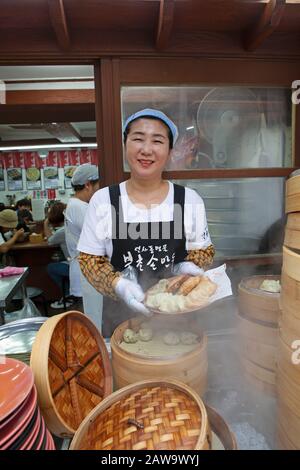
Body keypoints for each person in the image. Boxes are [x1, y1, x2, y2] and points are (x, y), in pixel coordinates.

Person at [78, 108, 215, 337]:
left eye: (158, 141)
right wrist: (120, 285)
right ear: (125, 145)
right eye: (138, 139)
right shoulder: (104, 200)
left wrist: (186, 266)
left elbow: (204, 251)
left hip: (179, 316)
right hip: (121, 319)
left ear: (170, 151)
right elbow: (89, 259)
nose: (146, 149)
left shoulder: (189, 200)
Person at [64, 163, 103, 329]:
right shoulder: (79, 207)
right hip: (85, 268)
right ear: (88, 185)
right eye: (98, 185)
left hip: (86, 267)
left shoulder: (77, 205)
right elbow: (101, 234)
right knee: (89, 318)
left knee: (90, 314)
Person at [44, 202, 72, 309]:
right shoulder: (70, 226)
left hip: (76, 266)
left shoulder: (62, 231)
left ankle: (68, 296)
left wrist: (46, 223)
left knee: (51, 267)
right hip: (80, 263)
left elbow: (50, 241)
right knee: (59, 261)